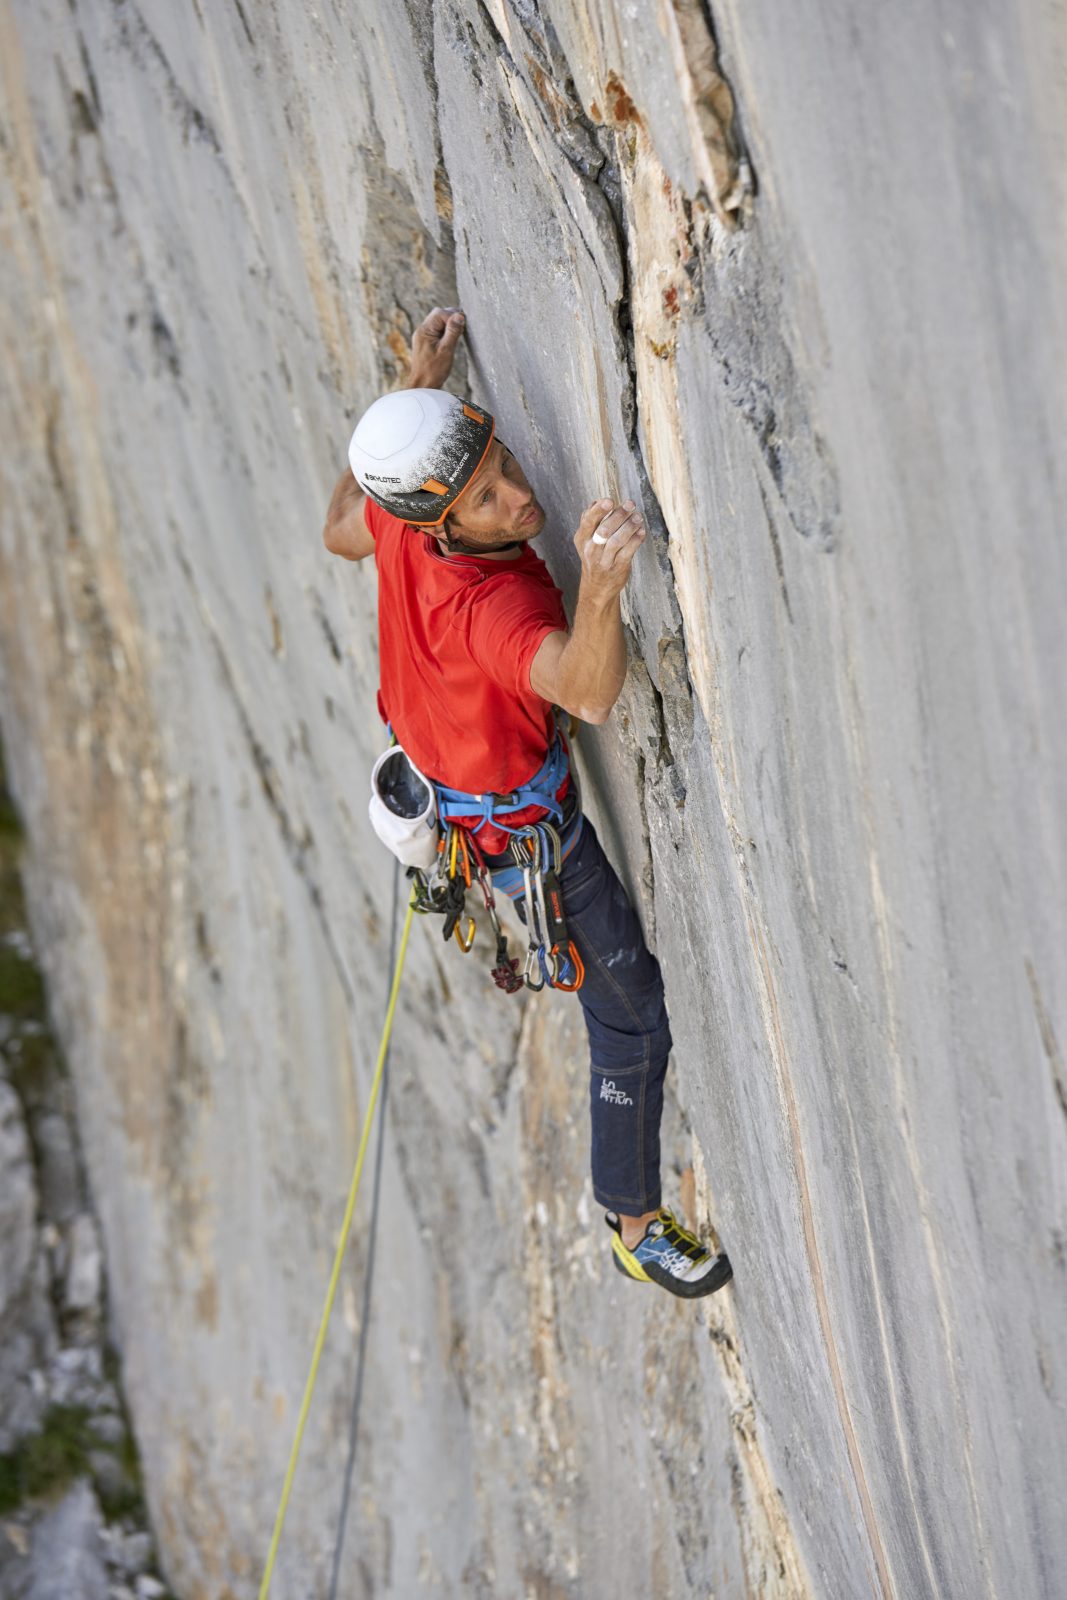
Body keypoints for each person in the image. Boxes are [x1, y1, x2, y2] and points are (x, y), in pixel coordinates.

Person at [323, 306, 731, 1300]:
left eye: (502, 467)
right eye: (486, 499)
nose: (515, 499)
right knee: (630, 1020)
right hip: (522, 840)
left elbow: (340, 531)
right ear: (441, 523)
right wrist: (596, 585)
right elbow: (586, 692)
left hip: (449, 792)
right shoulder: (492, 610)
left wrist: (406, 395)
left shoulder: (400, 513)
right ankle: (632, 1223)